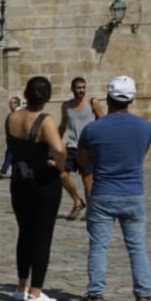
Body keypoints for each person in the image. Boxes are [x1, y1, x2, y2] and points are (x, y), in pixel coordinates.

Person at [76, 76, 151, 301]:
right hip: (133, 192)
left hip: (103, 192)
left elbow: (82, 159)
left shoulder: (93, 129)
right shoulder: (144, 127)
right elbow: (142, 154)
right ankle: (143, 295)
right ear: (131, 99)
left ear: (108, 97)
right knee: (137, 246)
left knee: (99, 246)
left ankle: (96, 295)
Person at [5, 75, 68, 301]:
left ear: (25, 93)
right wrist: (59, 167)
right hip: (42, 181)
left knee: (25, 233)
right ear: (48, 96)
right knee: (43, 235)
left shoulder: (12, 117)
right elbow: (59, 149)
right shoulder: (45, 120)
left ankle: (21, 286)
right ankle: (36, 291)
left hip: (19, 181)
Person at [59, 76, 103, 219]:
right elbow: (63, 125)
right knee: (62, 175)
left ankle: (90, 210)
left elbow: (102, 122)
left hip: (87, 147)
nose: (81, 91)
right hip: (71, 146)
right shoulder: (66, 105)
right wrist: (55, 141)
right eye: (78, 88)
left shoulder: (93, 103)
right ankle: (78, 201)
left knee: (87, 181)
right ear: (72, 89)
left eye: (83, 87)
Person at [0, 96, 22, 177]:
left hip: (16, 139)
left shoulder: (19, 113)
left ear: (17, 104)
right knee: (13, 156)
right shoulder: (12, 113)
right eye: (10, 103)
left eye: (12, 103)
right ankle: (14, 172)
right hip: (11, 139)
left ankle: (3, 170)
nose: (10, 105)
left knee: (10, 154)